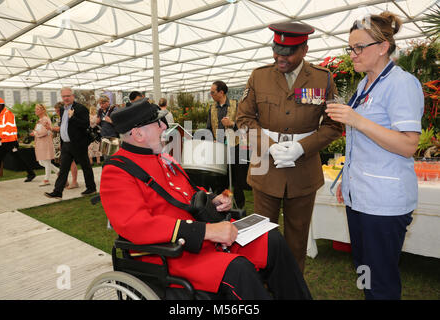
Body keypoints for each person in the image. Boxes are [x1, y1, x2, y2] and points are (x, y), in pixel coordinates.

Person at [99, 99, 312, 300]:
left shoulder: (162, 156)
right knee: (238, 269)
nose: (165, 127)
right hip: (170, 255)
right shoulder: (117, 171)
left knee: (271, 241)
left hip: (202, 241)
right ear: (138, 134)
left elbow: (186, 192)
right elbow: (135, 225)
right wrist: (206, 232)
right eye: (158, 124)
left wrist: (211, 199)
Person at [325, 12, 424, 300]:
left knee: (380, 279)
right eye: (350, 48)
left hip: (384, 203)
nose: (352, 55)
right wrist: (350, 180)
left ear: (383, 47)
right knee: (364, 270)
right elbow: (362, 143)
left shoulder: (401, 84)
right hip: (361, 198)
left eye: (359, 48)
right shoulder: (364, 84)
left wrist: (356, 120)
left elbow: (408, 145)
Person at [237, 22, 343, 272]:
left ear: (305, 50)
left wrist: (301, 148)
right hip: (266, 166)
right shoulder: (259, 76)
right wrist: (270, 146)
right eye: (276, 49)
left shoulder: (323, 78)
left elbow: (334, 125)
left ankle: (291, 288)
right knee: (261, 236)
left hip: (303, 169)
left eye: (288, 52)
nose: (280, 57)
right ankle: (261, 286)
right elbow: (243, 119)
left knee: (297, 239)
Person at [45, 87, 96, 199]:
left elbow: (85, 124)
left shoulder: (80, 108)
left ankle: (91, 188)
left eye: (68, 96)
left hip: (78, 143)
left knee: (85, 165)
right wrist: (62, 142)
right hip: (66, 144)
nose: (66, 98)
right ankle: (58, 191)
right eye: (64, 96)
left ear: (73, 96)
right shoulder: (63, 109)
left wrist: (72, 117)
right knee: (63, 169)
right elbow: (64, 126)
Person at [206, 80, 247, 209]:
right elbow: (208, 127)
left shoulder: (237, 105)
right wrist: (210, 139)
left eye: (212, 92)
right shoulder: (212, 108)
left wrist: (232, 124)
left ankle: (239, 207)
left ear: (221, 92)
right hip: (219, 149)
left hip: (236, 147)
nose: (211, 94)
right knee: (222, 180)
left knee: (237, 181)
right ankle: (224, 205)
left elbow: (245, 126)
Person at [0, 98, 36, 187]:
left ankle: (31, 173)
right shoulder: (0, 115)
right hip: (4, 142)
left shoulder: (7, 114)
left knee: (18, 158)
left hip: (10, 142)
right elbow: (2, 130)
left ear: (0, 105)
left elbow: (8, 129)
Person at [30, 104, 59, 186]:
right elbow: (38, 131)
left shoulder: (45, 119)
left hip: (45, 143)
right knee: (41, 162)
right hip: (40, 143)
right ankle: (58, 171)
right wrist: (34, 132)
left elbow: (45, 131)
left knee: (46, 161)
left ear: (43, 110)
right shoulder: (40, 120)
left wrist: (35, 133)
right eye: (35, 109)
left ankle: (46, 180)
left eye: (37, 109)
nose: (35, 110)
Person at [52, 102, 79, 189]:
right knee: (63, 163)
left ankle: (74, 182)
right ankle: (65, 181)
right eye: (56, 111)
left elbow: (67, 129)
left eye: (58, 111)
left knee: (71, 162)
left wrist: (52, 128)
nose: (57, 113)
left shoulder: (68, 115)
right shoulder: (61, 117)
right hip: (63, 141)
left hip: (71, 141)